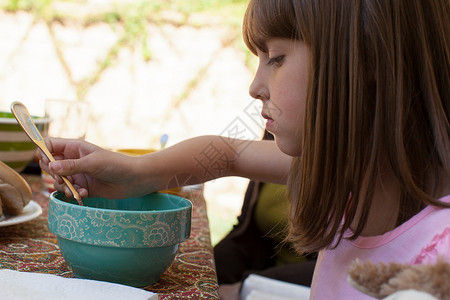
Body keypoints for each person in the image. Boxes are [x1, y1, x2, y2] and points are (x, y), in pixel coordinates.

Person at [39, 0, 449, 298]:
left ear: (366, 58)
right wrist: (137, 172)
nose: (255, 87)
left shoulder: (439, 259)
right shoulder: (355, 171)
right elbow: (228, 154)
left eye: (276, 58)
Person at [215, 131, 316, 299]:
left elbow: (346, 267)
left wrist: (247, 286)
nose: (259, 102)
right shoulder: (277, 131)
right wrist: (205, 267)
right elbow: (246, 231)